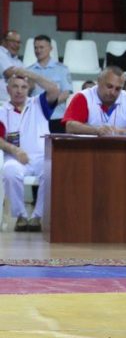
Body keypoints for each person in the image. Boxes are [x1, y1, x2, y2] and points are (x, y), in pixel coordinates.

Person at [0, 70, 61, 231]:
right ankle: (20, 216)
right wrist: (14, 150)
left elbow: (54, 89)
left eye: (24, 87)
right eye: (15, 86)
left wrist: (30, 74)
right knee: (9, 172)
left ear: (29, 89)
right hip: (15, 158)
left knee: (51, 171)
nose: (19, 91)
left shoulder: (39, 103)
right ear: (8, 89)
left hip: (42, 157)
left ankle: (37, 216)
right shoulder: (2, 111)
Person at [62, 66, 126, 135]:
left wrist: (124, 131)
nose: (113, 92)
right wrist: (96, 130)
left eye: (118, 89)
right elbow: (70, 126)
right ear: (99, 81)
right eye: (109, 86)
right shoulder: (83, 97)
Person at [25, 35, 72, 121]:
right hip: (35, 117)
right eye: (36, 48)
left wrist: (48, 105)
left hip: (56, 117)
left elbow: (66, 93)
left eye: (41, 47)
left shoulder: (62, 69)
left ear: (50, 48)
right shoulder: (29, 71)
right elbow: (25, 95)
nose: (38, 50)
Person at [0, 31, 25, 99]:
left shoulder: (18, 61)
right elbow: (9, 73)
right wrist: (25, 75)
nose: (16, 45)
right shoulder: (1, 52)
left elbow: (30, 82)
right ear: (4, 41)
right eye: (13, 41)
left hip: (14, 100)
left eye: (18, 42)